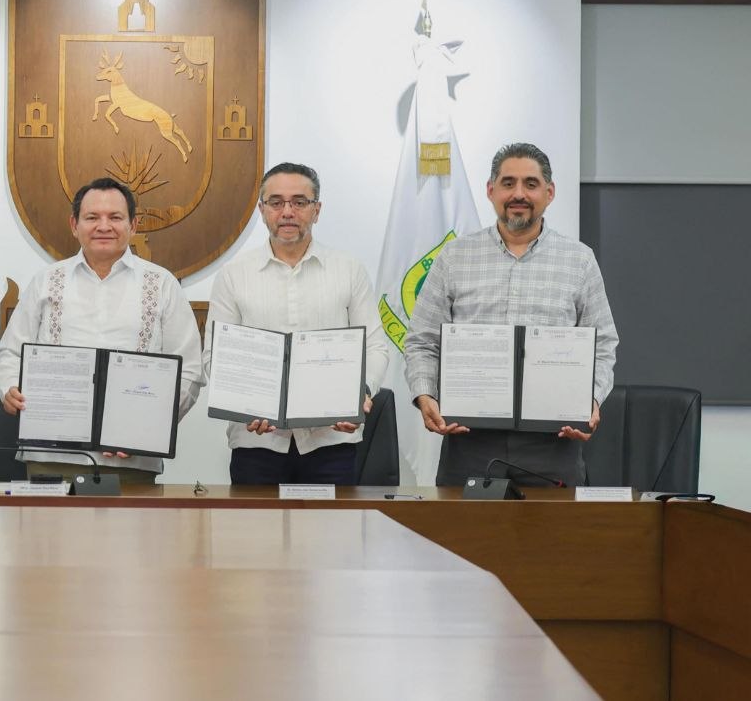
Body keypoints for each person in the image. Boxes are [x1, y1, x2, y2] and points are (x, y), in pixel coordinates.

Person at [404, 142, 618, 486]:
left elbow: (603, 345)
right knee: (463, 525)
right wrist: (425, 393)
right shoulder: (454, 258)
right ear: (491, 191)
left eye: (531, 184)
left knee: (554, 525)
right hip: (469, 441)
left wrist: (589, 399)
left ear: (549, 193)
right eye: (508, 183)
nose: (519, 193)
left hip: (553, 443)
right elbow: (422, 341)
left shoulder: (579, 260)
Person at [0, 177, 203, 483]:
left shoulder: (162, 285)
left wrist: (149, 428)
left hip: (131, 459)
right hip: (51, 455)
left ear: (133, 225)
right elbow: (11, 352)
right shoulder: (46, 281)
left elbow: (189, 370)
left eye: (115, 217)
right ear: (74, 224)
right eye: (92, 217)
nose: (103, 226)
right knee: (47, 518)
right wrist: (10, 388)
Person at [205, 162, 389, 485]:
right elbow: (215, 356)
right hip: (257, 442)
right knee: (256, 521)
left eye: (299, 202)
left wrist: (359, 393)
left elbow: (375, 347)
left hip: (331, 441)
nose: (287, 212)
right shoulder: (233, 275)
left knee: (331, 522)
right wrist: (244, 403)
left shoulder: (349, 270)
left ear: (317, 210)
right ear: (262, 210)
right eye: (276, 202)